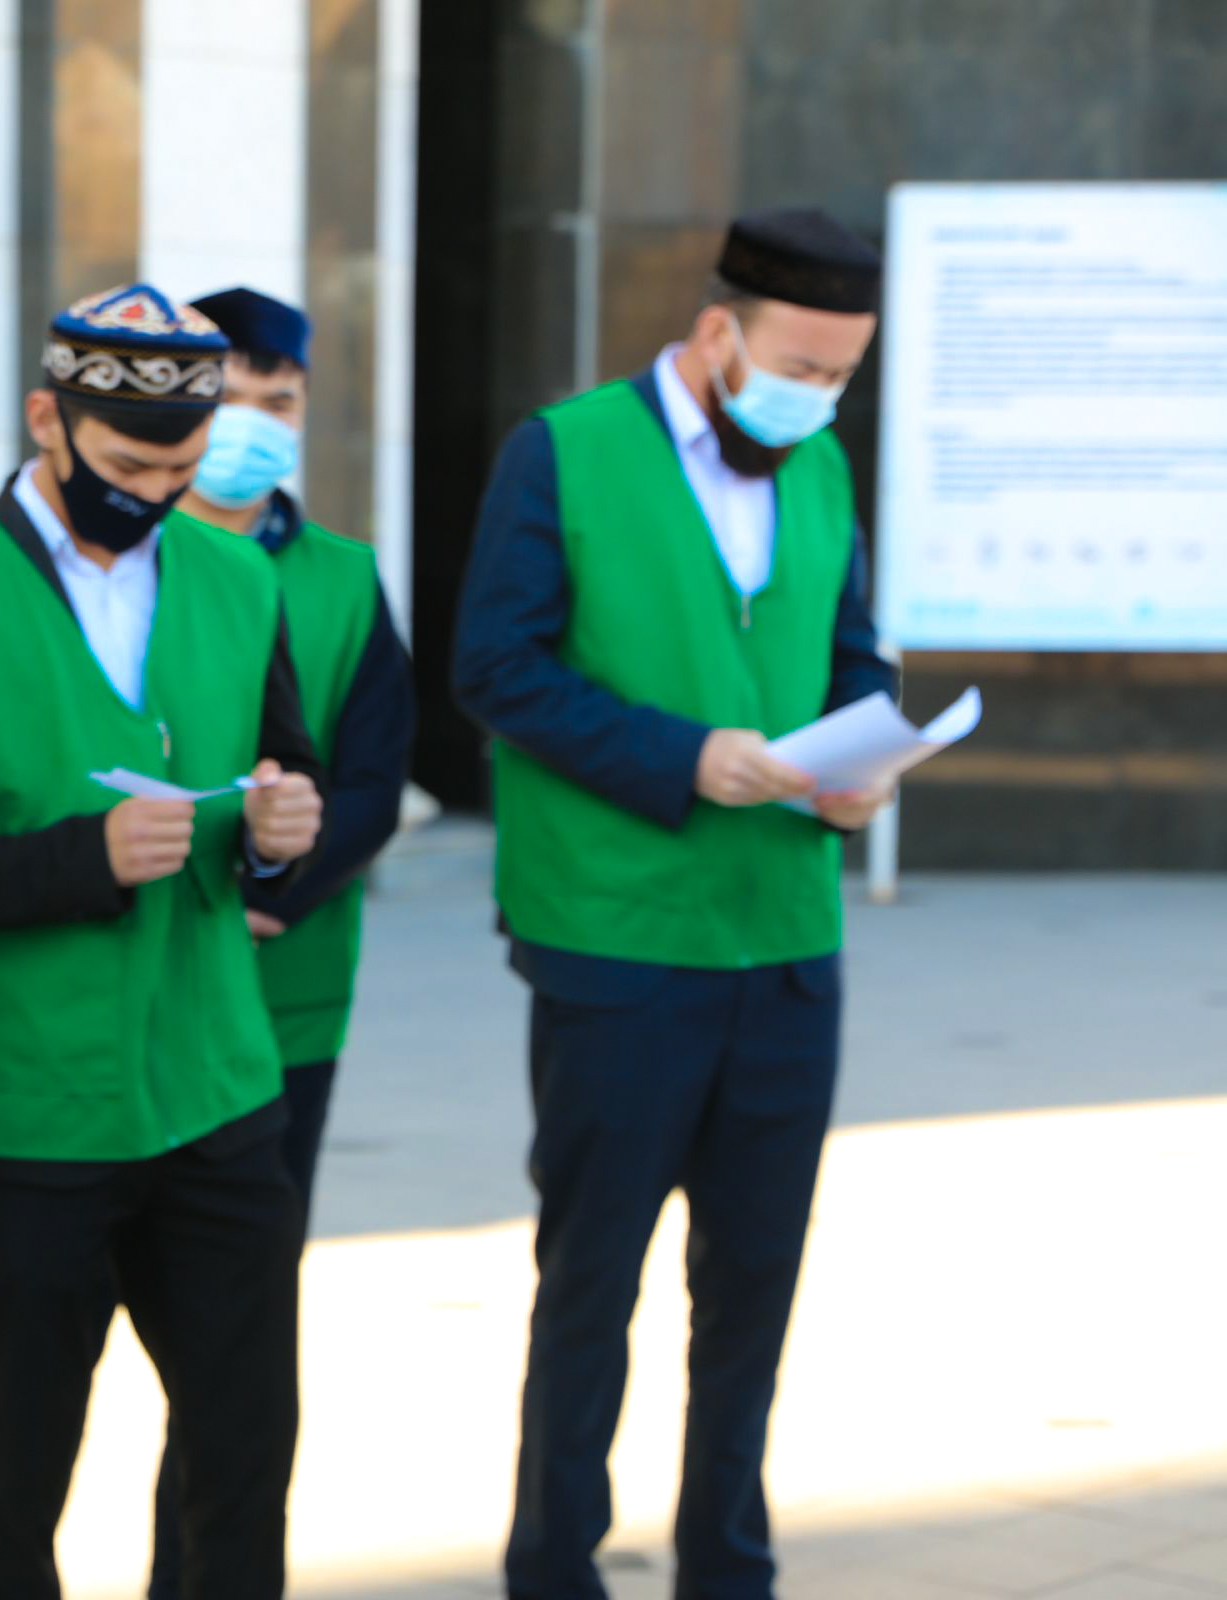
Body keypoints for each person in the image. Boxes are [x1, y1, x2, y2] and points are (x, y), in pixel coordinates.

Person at [0, 283, 325, 1600]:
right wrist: (83, 857)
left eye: (180, 470)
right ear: (45, 419)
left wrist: (283, 831)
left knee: (246, 1447)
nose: (155, 494)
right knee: (19, 1463)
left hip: (218, 1090)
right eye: (127, 465)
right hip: (33, 1110)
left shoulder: (242, 577)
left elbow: (286, 771)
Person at [452, 209, 898, 1599]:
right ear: (717, 333)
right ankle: (554, 1568)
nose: (819, 399)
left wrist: (863, 760)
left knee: (754, 1289)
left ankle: (728, 1567)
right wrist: (682, 756)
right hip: (618, 944)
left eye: (843, 375)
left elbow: (851, 654)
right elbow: (495, 667)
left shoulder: (820, 468)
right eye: (801, 368)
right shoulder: (564, 450)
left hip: (787, 944)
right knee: (593, 1283)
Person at [145, 285, 417, 1600]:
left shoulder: (344, 577)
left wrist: (277, 891)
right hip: (137, 984)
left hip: (285, 1000)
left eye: (281, 401)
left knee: (243, 1326)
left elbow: (371, 776)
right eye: (233, 397)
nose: (257, 422)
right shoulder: (126, 561)